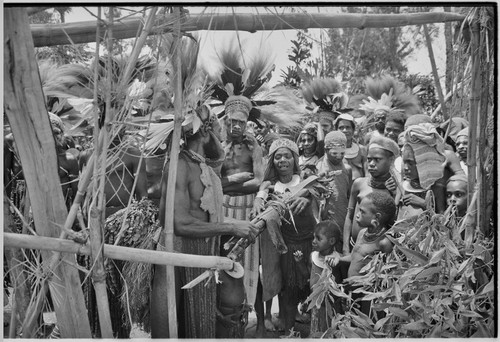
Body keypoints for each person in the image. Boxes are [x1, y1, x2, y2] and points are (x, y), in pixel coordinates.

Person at [150, 104, 259, 338]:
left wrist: (237, 225)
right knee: (173, 326)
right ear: (205, 131)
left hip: (198, 254)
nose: (222, 136)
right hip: (176, 257)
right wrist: (231, 226)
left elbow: (202, 215)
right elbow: (179, 224)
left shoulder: (200, 165)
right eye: (219, 129)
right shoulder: (179, 165)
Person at [252, 138, 316, 336]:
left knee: (312, 287)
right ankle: (289, 332)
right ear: (272, 161)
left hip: (310, 242)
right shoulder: (271, 185)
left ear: (295, 159)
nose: (282, 160)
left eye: (287, 156)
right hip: (287, 244)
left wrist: (306, 194)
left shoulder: (306, 179)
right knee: (288, 290)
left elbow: (316, 190)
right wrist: (257, 200)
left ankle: (316, 329)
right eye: (277, 156)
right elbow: (261, 192)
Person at [333, 191, 396, 316]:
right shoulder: (362, 233)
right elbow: (355, 257)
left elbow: (386, 276)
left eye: (362, 212)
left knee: (365, 324)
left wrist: (363, 283)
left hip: (368, 295)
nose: (357, 215)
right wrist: (338, 259)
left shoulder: (384, 242)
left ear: (376, 217)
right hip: (352, 290)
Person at [343, 136, 399, 255]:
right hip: (353, 247)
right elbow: (349, 216)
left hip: (376, 253)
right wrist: (345, 247)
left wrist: (394, 195)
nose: (371, 164)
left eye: (377, 159)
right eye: (369, 159)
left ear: (391, 160)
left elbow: (394, 224)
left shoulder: (396, 190)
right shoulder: (359, 184)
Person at [79, 126, 149, 219]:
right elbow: (81, 189)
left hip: (123, 214)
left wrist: (143, 216)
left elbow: (142, 192)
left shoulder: (133, 154)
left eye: (119, 129)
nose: (115, 134)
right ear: (100, 130)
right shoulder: (87, 155)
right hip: (93, 214)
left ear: (124, 132)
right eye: (110, 129)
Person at [399, 122, 465, 217]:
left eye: (411, 163)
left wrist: (424, 205)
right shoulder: (406, 185)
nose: (405, 168)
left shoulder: (439, 186)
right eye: (404, 162)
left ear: (425, 163)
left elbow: (443, 223)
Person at [293, 220, 344, 335]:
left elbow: (341, 283)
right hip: (316, 305)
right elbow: (307, 275)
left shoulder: (337, 260)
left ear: (331, 241)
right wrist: (299, 263)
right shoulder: (313, 256)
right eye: (313, 238)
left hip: (331, 307)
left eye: (318, 239)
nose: (314, 241)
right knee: (317, 331)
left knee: (330, 331)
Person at [315, 131, 352, 233]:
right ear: (326, 150)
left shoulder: (347, 170)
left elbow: (349, 195)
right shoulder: (320, 169)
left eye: (342, 153)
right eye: (334, 153)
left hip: (343, 214)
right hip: (324, 214)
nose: (339, 156)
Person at [333, 113, 366, 180]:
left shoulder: (361, 149)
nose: (345, 130)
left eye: (348, 127)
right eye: (341, 128)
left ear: (353, 130)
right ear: (336, 130)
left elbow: (367, 173)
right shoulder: (331, 151)